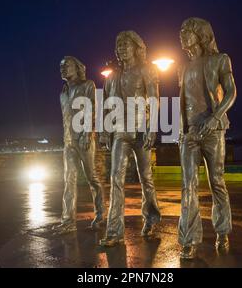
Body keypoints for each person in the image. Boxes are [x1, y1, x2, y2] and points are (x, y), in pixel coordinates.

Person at [178, 18, 237, 259]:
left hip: (213, 130)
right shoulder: (182, 67)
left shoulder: (220, 59)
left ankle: (222, 231)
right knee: (188, 186)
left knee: (217, 182)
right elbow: (183, 101)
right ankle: (189, 239)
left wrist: (216, 117)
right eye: (180, 32)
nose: (182, 36)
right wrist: (182, 131)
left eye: (187, 32)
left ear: (200, 35)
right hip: (190, 132)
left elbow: (231, 92)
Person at [99, 31, 161, 247]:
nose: (121, 49)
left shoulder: (146, 70)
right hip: (119, 133)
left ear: (137, 47)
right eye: (118, 46)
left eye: (125, 45)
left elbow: (154, 99)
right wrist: (105, 131)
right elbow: (106, 105)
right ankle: (114, 231)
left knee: (146, 177)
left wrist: (152, 128)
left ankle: (151, 218)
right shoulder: (112, 76)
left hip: (140, 129)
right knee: (116, 178)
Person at [52, 56, 105, 234]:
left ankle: (100, 214)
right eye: (61, 66)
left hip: (84, 139)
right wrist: (66, 139)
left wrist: (87, 134)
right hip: (68, 142)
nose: (63, 68)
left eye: (67, 65)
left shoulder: (87, 85)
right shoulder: (63, 93)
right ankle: (68, 222)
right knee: (69, 180)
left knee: (92, 178)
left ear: (77, 67)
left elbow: (91, 110)